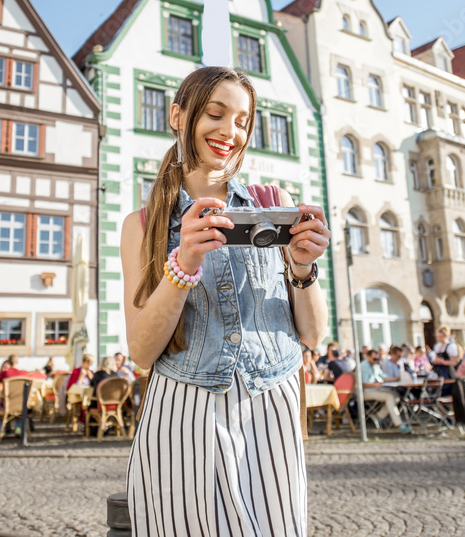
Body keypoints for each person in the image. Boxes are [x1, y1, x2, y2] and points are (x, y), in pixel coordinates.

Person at [120, 67, 331, 533]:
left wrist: (300, 267)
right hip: (184, 412)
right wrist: (185, 261)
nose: (229, 132)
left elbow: (314, 335)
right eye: (216, 114)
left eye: (242, 121)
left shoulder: (272, 201)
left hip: (271, 407)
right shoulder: (143, 225)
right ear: (178, 116)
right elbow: (140, 352)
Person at [360, 349, 410, 434]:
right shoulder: (364, 366)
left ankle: (378, 416)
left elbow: (383, 377)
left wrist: (396, 379)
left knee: (396, 396)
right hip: (365, 392)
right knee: (390, 396)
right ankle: (399, 424)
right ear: (368, 357)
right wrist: (375, 385)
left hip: (374, 389)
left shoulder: (375, 365)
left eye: (377, 359)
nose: (376, 361)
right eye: (374, 359)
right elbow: (363, 384)